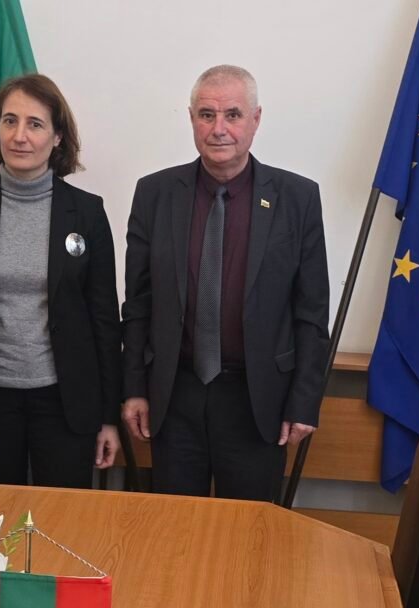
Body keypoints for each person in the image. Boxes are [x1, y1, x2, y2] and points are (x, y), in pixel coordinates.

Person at [121, 65, 330, 501]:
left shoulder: (298, 198)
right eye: (206, 115)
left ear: (255, 119)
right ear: (191, 119)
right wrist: (135, 388)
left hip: (258, 401)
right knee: (176, 528)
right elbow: (138, 304)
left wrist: (304, 401)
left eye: (232, 115)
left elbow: (311, 311)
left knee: (249, 531)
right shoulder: (155, 194)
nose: (219, 129)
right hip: (174, 397)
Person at [0, 73, 122, 488]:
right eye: (10, 121)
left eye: (35, 124)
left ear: (58, 136)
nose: (19, 136)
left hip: (66, 401)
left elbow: (103, 320)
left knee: (63, 518)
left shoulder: (87, 212)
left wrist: (108, 418)